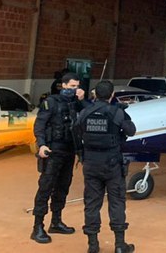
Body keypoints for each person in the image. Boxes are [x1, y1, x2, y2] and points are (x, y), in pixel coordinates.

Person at [76, 80, 137, 253]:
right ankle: (119, 245)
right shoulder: (116, 112)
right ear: (112, 95)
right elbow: (131, 131)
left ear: (95, 94)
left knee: (92, 203)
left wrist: (81, 153)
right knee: (116, 202)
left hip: (91, 163)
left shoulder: (85, 112)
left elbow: (76, 132)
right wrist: (123, 113)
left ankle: (92, 245)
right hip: (112, 164)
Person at [31, 72, 89, 244]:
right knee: (45, 187)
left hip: (69, 151)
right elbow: (39, 125)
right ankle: (37, 226)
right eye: (72, 86)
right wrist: (41, 145)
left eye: (77, 86)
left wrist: (82, 99)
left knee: (63, 187)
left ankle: (56, 221)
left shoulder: (76, 103)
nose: (75, 89)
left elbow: (90, 112)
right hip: (53, 151)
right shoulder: (51, 102)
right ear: (63, 85)